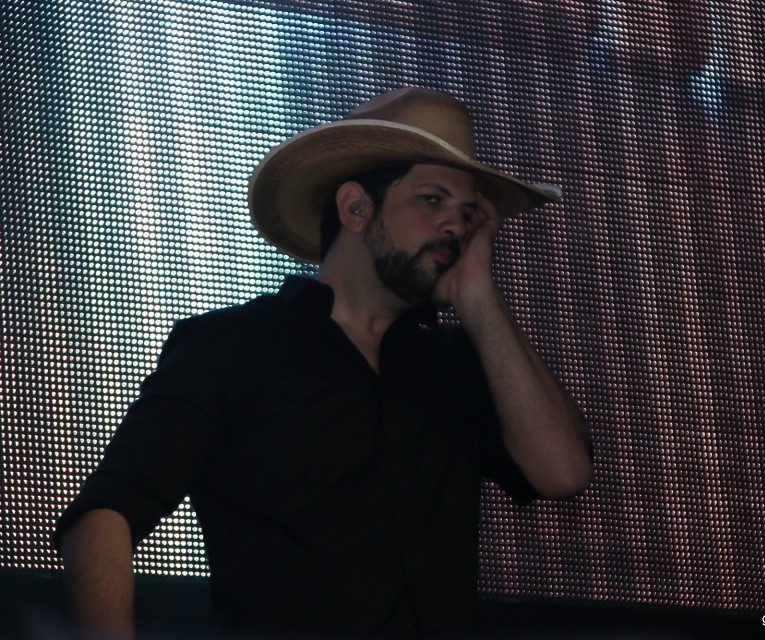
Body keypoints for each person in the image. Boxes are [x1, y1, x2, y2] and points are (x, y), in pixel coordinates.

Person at [54, 87, 592, 638]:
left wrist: (478, 293)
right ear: (356, 207)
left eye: (468, 214)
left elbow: (562, 473)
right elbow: (104, 514)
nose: (455, 227)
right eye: (433, 200)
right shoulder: (233, 344)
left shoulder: (457, 363)